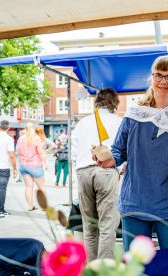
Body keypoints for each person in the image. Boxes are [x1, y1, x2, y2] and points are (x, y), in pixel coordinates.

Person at [97, 55, 168, 251]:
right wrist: (110, 160)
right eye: (158, 75)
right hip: (135, 201)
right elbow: (118, 150)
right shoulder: (134, 114)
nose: (163, 81)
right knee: (135, 267)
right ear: (151, 79)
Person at [72, 88, 123, 261]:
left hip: (83, 172)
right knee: (107, 225)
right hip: (106, 172)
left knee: (89, 226)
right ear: (115, 103)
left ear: (96, 102)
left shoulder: (82, 122)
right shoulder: (118, 121)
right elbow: (124, 151)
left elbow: (73, 152)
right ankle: (103, 270)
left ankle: (91, 268)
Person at [17, 123, 48, 211]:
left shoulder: (20, 139)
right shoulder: (36, 138)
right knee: (41, 187)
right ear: (33, 129)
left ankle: (30, 206)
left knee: (28, 187)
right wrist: (45, 163)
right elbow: (40, 152)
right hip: (35, 166)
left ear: (25, 129)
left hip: (23, 166)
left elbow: (18, 152)